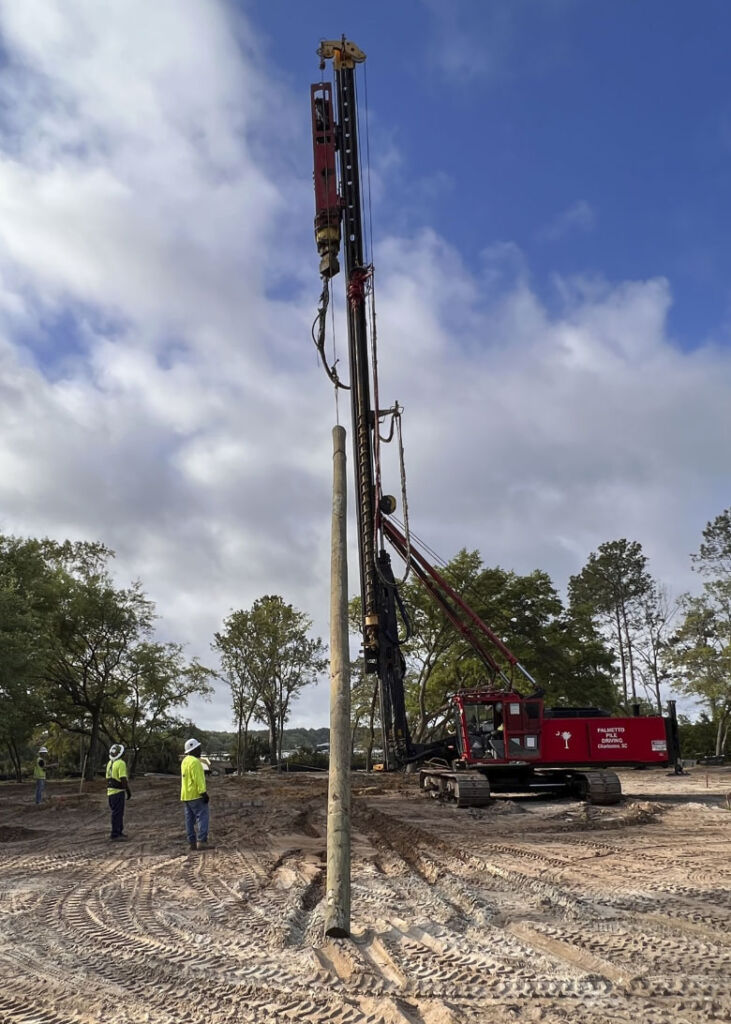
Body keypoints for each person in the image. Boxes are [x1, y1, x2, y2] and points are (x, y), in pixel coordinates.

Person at [181, 738, 211, 851]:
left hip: (186, 795)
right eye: (198, 748)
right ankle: (202, 841)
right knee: (203, 817)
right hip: (196, 795)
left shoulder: (185, 761)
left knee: (189, 820)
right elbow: (198, 779)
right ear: (193, 749)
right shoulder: (195, 762)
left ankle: (191, 843)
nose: (200, 750)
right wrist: (203, 793)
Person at [106, 743, 131, 841]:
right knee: (118, 814)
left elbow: (108, 778)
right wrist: (128, 791)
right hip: (118, 792)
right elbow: (123, 779)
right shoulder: (121, 763)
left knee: (116, 813)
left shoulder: (110, 763)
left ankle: (118, 831)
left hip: (110, 792)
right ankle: (115, 834)